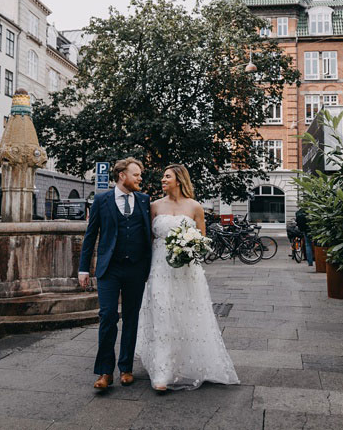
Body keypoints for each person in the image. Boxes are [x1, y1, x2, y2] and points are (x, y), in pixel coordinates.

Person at [138, 165, 240, 391]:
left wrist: (191, 248)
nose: (162, 179)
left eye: (167, 176)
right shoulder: (154, 206)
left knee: (187, 313)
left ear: (179, 179)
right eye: (163, 176)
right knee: (162, 314)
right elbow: (149, 239)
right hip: (160, 268)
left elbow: (203, 240)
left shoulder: (195, 207)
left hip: (187, 270)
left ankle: (191, 362)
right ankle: (162, 371)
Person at [78, 158, 154, 390]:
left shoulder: (144, 200)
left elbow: (148, 234)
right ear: (122, 175)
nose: (140, 178)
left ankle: (126, 368)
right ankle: (104, 371)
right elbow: (91, 236)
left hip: (135, 268)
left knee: (131, 317)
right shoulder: (102, 200)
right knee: (108, 316)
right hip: (109, 268)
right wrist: (83, 268)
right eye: (136, 174)